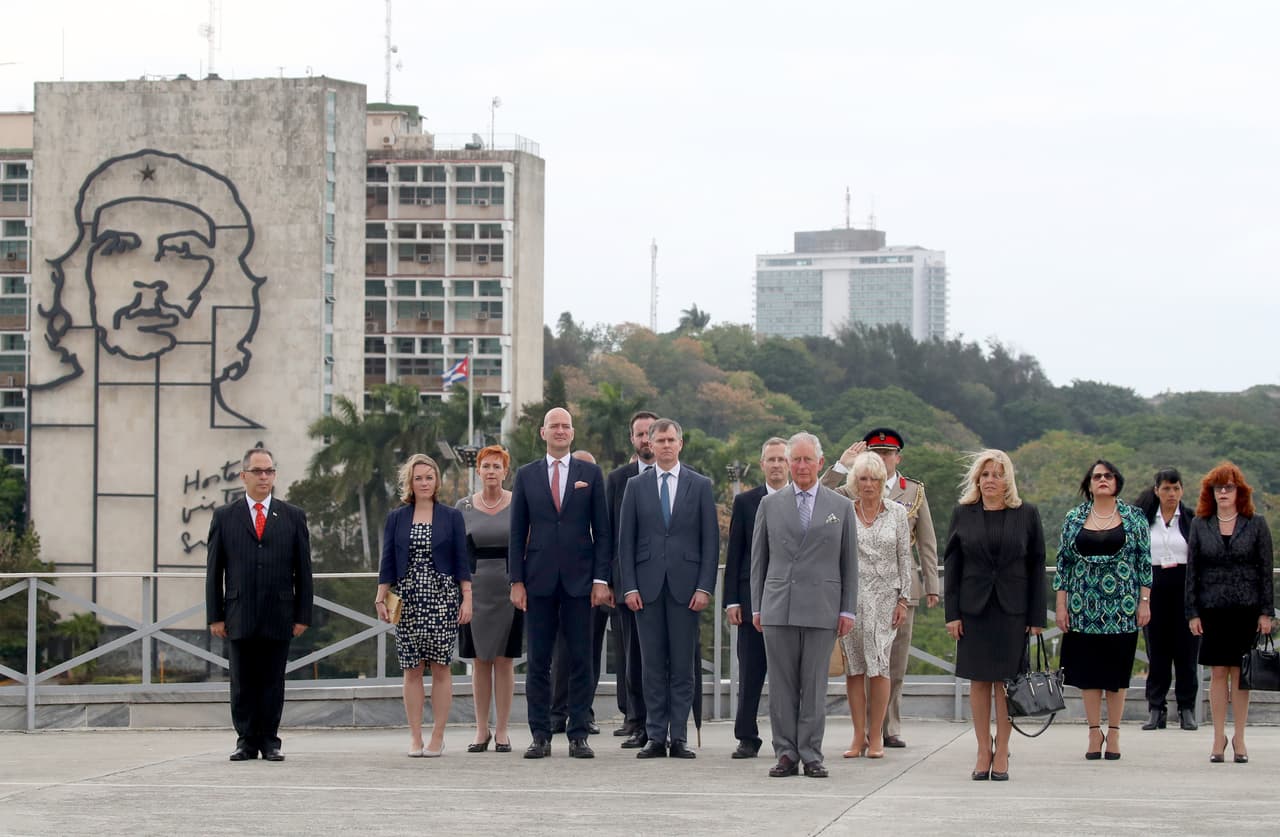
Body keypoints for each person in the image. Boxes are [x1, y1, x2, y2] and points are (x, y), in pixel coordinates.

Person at [822, 427, 938, 748]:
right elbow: (820, 494)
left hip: (899, 588)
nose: (883, 459)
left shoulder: (911, 491)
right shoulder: (851, 489)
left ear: (898, 457)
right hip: (858, 593)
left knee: (893, 663)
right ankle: (865, 730)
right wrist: (842, 466)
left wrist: (931, 585)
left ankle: (890, 727)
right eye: (876, 453)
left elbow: (926, 542)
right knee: (861, 664)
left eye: (888, 454)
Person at [751, 432, 858, 779]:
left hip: (822, 607)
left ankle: (811, 753)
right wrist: (757, 606)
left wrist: (847, 609)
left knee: (814, 685)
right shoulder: (769, 505)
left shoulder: (841, 506)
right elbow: (759, 560)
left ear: (820, 462)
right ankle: (785, 753)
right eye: (795, 459)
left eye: (807, 459)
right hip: (779, 605)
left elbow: (849, 563)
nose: (800, 466)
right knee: (781, 686)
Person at [508, 407, 612, 759]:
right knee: (538, 662)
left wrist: (601, 579)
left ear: (572, 432)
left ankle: (578, 734)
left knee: (581, 659)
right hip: (537, 580)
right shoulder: (526, 475)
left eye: (566, 426)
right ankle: (540, 735)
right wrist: (516, 580)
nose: (560, 431)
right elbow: (517, 532)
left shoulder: (590, 474)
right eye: (554, 426)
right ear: (543, 432)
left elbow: (603, 531)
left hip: (580, 582)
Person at [618, 418, 719, 759]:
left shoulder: (700, 485)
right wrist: (629, 587)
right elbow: (626, 542)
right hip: (646, 589)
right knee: (651, 666)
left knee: (682, 666)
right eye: (659, 440)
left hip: (686, 589)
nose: (664, 445)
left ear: (680, 443)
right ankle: (655, 735)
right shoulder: (636, 486)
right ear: (650, 444)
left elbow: (710, 541)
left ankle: (679, 736)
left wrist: (705, 587)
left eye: (670, 440)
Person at [206, 447, 313, 762]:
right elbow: (214, 570)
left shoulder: (292, 516)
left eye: (269, 471)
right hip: (239, 612)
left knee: (272, 680)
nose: (264, 477)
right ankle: (246, 741)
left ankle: (270, 741)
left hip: (279, 611)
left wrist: (302, 614)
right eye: (257, 471)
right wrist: (215, 615)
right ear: (244, 476)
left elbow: (303, 570)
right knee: (242, 680)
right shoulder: (225, 517)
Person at [943, 449, 1045, 782]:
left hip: (1012, 609)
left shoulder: (1026, 514)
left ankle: (1002, 748)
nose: (990, 480)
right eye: (985, 475)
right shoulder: (963, 514)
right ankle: (982, 748)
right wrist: (952, 614)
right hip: (973, 609)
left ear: (1007, 480)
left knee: (1005, 683)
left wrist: (1036, 616)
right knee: (979, 680)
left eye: (997, 475)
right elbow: (953, 567)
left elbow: (1036, 566)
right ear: (977, 480)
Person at [375, 454, 473, 758]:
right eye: (418, 478)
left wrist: (467, 598)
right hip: (407, 599)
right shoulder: (396, 518)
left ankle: (437, 737)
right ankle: (415, 737)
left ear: (437, 481)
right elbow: (387, 561)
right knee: (412, 669)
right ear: (410, 482)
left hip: (442, 599)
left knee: (441, 667)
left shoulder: (451, 517)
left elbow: (462, 561)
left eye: (429, 477)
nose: (424, 483)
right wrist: (380, 596)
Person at [1054, 460, 1152, 762]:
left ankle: (1115, 732)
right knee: (1089, 674)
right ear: (1089, 483)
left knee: (1116, 674)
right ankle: (1094, 732)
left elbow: (1144, 562)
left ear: (1117, 481)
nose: (1103, 480)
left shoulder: (1134, 517)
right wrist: (1061, 604)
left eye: (1108, 476)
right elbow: (1063, 564)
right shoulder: (1074, 517)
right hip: (1084, 606)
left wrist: (1144, 601)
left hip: (1122, 606)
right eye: (1097, 476)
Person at [1185, 462, 1275, 764]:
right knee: (1218, 673)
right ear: (1210, 492)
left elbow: (1265, 571)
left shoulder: (1256, 523)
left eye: (1229, 487)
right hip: (1211, 608)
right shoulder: (1200, 524)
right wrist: (1192, 612)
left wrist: (1266, 612)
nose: (1223, 492)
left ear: (1239, 491)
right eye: (1218, 487)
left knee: (1240, 673)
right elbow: (1193, 571)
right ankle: (1217, 737)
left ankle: (1239, 737)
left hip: (1246, 608)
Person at [839, 452, 912, 760]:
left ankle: (877, 733)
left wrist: (904, 599)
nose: (868, 485)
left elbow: (905, 557)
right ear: (854, 482)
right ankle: (858, 735)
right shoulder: (844, 511)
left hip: (885, 600)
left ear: (883, 482)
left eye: (874, 479)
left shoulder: (897, 513)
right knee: (855, 668)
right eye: (863, 479)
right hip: (852, 599)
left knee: (880, 666)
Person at [722, 436, 789, 759]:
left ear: (790, 464)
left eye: (781, 459)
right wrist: (732, 600)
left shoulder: (801, 500)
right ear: (762, 464)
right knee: (750, 673)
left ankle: (788, 737)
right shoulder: (746, 502)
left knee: (787, 676)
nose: (776, 465)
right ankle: (747, 736)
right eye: (771, 459)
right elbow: (735, 553)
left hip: (790, 602)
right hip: (752, 602)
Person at [456, 445, 521, 753]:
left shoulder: (519, 503)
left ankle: (503, 731)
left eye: (497, 466)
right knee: (480, 660)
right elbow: (457, 553)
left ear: (505, 472)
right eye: (486, 466)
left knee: (505, 661)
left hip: (510, 589)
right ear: (478, 471)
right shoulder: (463, 507)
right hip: (474, 591)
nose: (491, 471)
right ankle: (481, 729)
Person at [604, 410, 659, 747]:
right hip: (627, 583)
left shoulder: (679, 477)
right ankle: (636, 720)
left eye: (651, 433)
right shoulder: (617, 479)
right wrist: (609, 581)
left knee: (660, 656)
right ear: (632, 439)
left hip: (665, 583)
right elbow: (608, 534)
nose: (645, 440)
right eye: (640, 434)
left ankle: (661, 722)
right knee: (631, 657)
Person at [549, 449, 610, 737]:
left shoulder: (599, 501)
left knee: (590, 652)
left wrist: (604, 581)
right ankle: (557, 711)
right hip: (561, 583)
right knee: (562, 651)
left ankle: (583, 712)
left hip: (592, 586)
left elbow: (606, 540)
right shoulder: (558, 501)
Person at [1134, 468, 1199, 732]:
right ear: (1157, 490)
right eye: (1166, 489)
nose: (1171, 493)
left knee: (1187, 653)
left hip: (1185, 590)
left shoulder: (1192, 519)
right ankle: (1156, 707)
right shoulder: (1145, 520)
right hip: (1154, 590)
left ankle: (1186, 708)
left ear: (1182, 490)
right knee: (1157, 652)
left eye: (1175, 488)